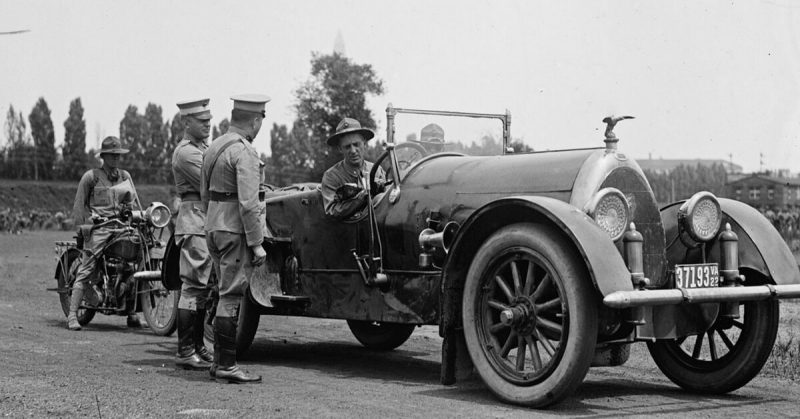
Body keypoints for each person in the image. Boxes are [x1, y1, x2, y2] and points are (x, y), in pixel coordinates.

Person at [200, 94, 269, 384]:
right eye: (261, 120)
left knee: (222, 291)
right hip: (234, 230)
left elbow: (204, 194)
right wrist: (256, 242)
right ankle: (227, 365)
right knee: (231, 296)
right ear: (255, 120)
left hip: (213, 226)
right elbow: (249, 203)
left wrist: (213, 220)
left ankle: (218, 362)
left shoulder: (214, 146)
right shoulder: (245, 152)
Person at [67, 136, 140, 331]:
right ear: (104, 156)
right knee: (87, 268)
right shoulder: (91, 177)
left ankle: (132, 312)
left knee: (137, 258)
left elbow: (132, 203)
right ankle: (73, 315)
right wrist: (85, 226)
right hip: (99, 229)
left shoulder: (125, 176)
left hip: (120, 227)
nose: (116, 158)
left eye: (118, 155)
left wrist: (133, 217)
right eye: (112, 155)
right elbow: (79, 206)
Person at [171, 98, 214, 370]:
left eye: (209, 119)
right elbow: (213, 181)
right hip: (194, 219)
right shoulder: (187, 153)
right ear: (187, 122)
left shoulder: (203, 149)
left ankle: (198, 346)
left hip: (204, 219)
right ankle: (186, 350)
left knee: (204, 288)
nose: (208, 124)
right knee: (193, 286)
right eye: (202, 121)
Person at [321, 117, 385, 220]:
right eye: (347, 147)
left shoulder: (377, 170)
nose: (353, 150)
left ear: (364, 144)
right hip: (348, 233)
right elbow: (331, 210)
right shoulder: (331, 176)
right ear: (340, 149)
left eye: (356, 144)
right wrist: (360, 199)